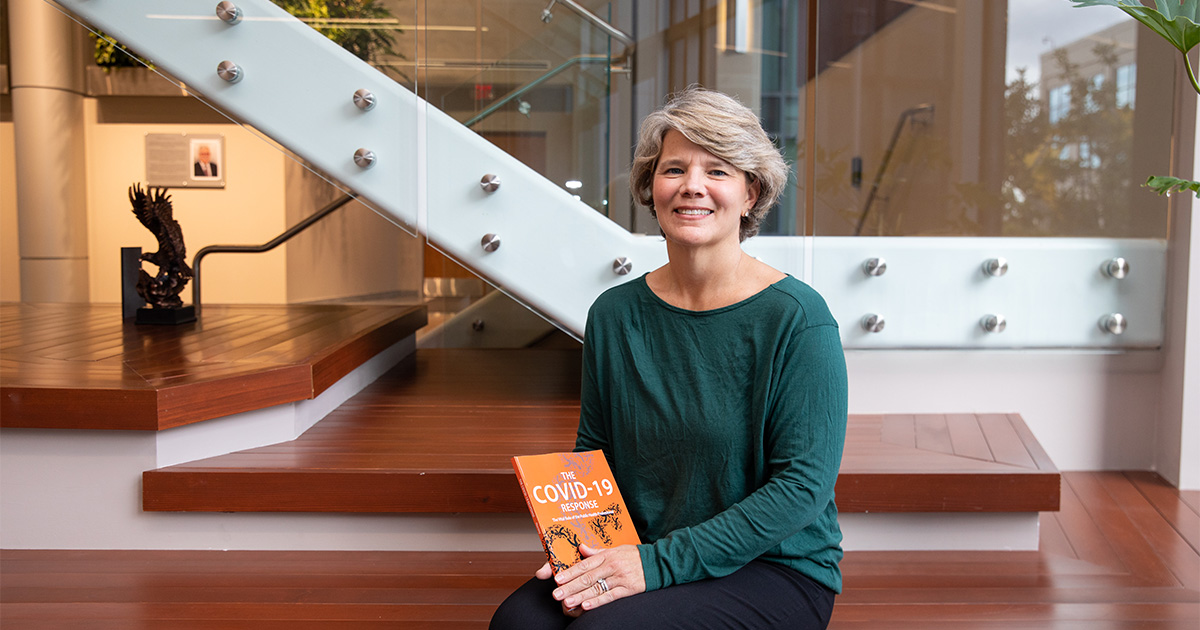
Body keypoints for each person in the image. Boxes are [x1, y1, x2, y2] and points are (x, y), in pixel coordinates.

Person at [491, 87, 848, 630]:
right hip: (645, 551)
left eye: (718, 171)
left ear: (750, 193)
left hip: (774, 567)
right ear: (651, 188)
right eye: (674, 169)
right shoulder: (614, 313)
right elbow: (594, 454)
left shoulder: (797, 318)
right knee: (518, 625)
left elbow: (801, 488)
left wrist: (651, 567)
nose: (692, 187)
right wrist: (580, 551)